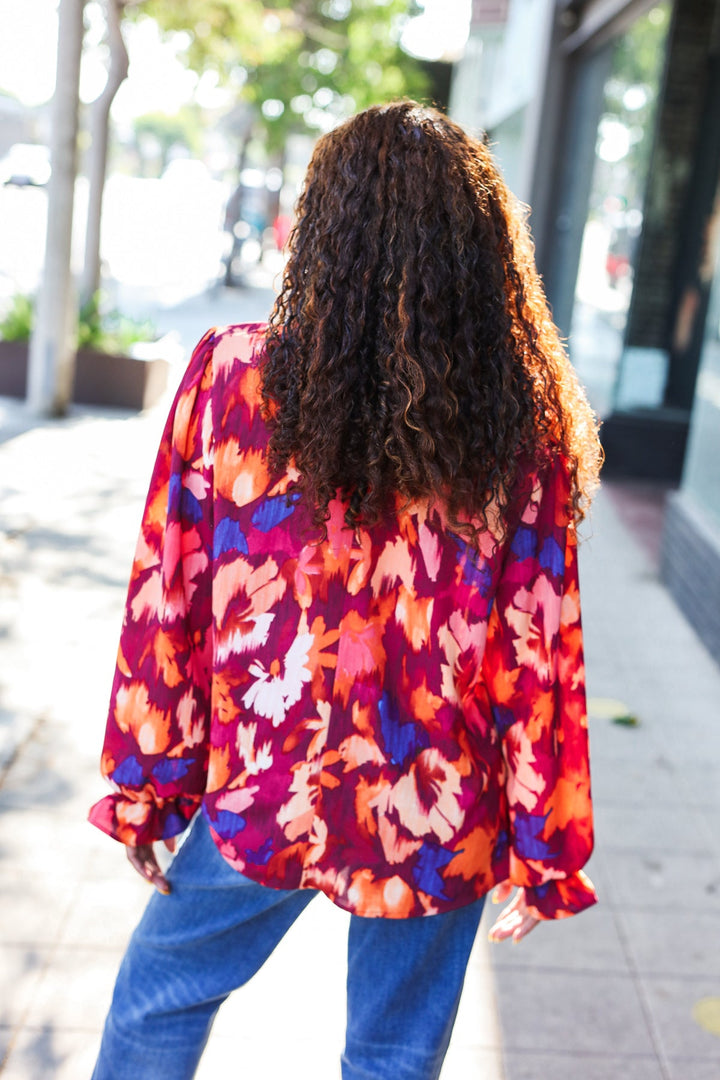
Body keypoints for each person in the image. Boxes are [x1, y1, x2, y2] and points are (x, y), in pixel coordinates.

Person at [89, 101, 602, 1080]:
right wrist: (549, 846)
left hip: (269, 783)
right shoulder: (518, 420)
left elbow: (170, 596)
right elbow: (542, 647)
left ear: (321, 229)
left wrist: (147, 785)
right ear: (479, 247)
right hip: (437, 799)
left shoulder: (230, 381)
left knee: (157, 997)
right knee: (394, 1055)